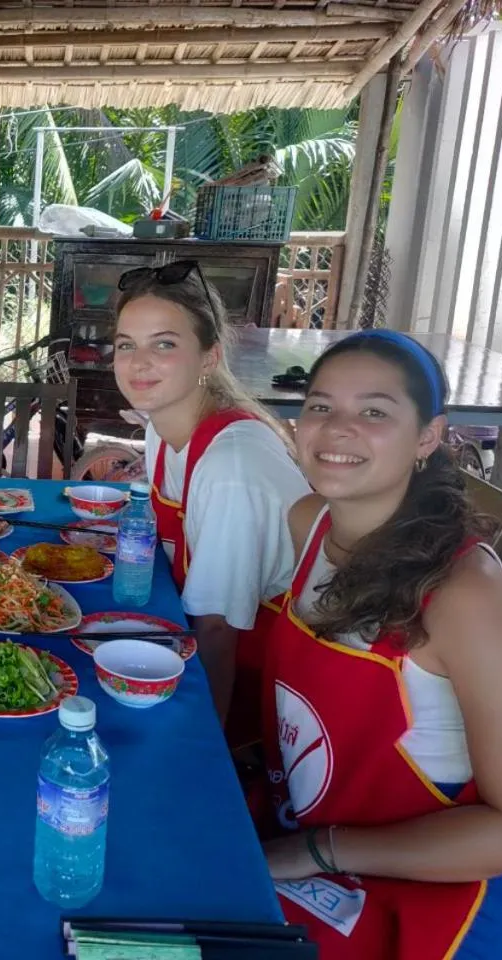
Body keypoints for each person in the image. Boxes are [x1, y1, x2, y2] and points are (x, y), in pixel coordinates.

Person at [262, 330, 502, 958]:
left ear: (427, 437)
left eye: (374, 411)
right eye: (320, 405)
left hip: (433, 892)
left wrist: (319, 851)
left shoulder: (465, 595)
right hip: (311, 830)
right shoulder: (309, 522)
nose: (336, 428)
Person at [112, 260, 309, 745]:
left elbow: (218, 630)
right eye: (125, 345)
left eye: (164, 344)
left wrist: (201, 746)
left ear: (209, 358)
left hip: (267, 682)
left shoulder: (230, 467)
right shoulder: (163, 425)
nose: (138, 363)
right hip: (196, 638)